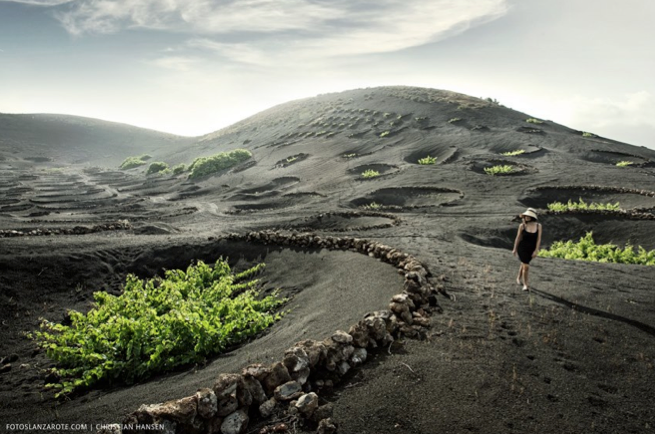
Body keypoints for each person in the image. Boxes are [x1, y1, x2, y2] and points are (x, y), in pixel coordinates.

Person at [512, 207, 542, 291]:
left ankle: (518, 278)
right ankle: (526, 285)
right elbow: (517, 238)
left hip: (531, 249)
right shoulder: (522, 226)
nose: (527, 217)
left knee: (524, 263)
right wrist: (514, 249)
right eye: (526, 215)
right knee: (526, 266)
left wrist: (536, 250)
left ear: (533, 217)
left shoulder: (538, 226)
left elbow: (539, 239)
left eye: (529, 216)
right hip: (522, 248)